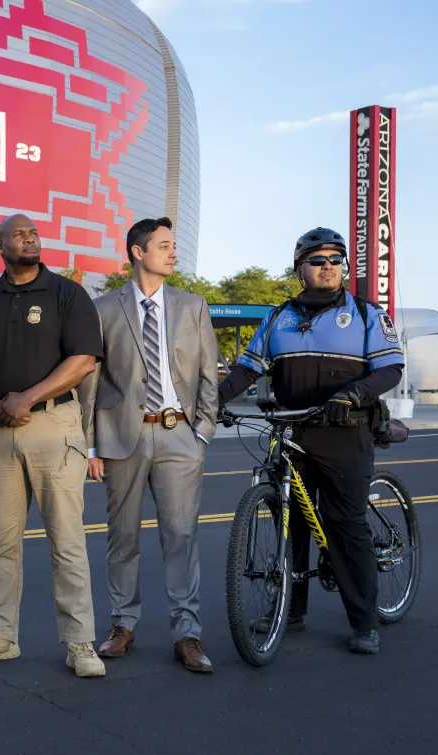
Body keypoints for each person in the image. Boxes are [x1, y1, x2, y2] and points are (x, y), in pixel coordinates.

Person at [217, 227, 404, 654]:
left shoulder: (366, 314)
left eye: (335, 261)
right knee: (292, 520)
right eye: (318, 261)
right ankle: (291, 609)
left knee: (345, 523)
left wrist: (353, 393)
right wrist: (216, 398)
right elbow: (248, 369)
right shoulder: (278, 316)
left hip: (345, 430)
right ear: (301, 269)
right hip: (292, 429)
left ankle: (363, 622)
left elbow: (390, 368)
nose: (328, 268)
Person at [0, 213, 104, 678]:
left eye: (34, 233)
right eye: (19, 234)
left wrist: (27, 398)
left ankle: (81, 644)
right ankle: (2, 637)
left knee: (67, 540)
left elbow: (82, 361)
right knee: (1, 544)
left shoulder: (67, 294)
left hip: (53, 424)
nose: (30, 238)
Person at [88, 217, 219, 674]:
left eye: (173, 245)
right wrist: (91, 446)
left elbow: (208, 372)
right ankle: (122, 624)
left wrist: (201, 430)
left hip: (179, 434)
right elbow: (92, 379)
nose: (173, 252)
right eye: (163, 245)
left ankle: (187, 633)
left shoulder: (193, 306)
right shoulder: (104, 308)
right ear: (137, 252)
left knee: (180, 535)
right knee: (122, 537)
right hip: (122, 436)